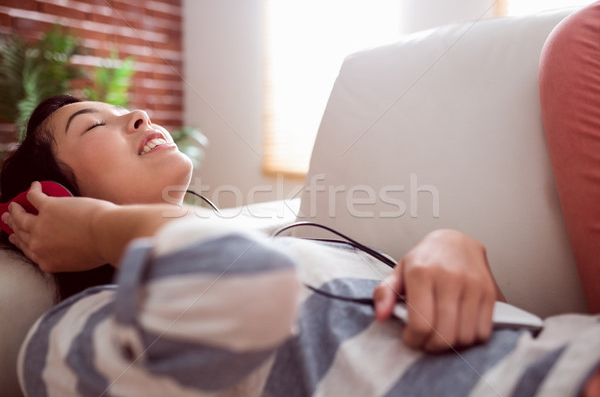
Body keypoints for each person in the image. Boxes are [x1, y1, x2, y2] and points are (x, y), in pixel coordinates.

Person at [1, 96, 599, 396]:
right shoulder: (74, 337)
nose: (135, 112)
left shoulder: (301, 237)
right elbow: (241, 286)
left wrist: (448, 248)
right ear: (49, 197)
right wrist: (97, 229)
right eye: (93, 124)